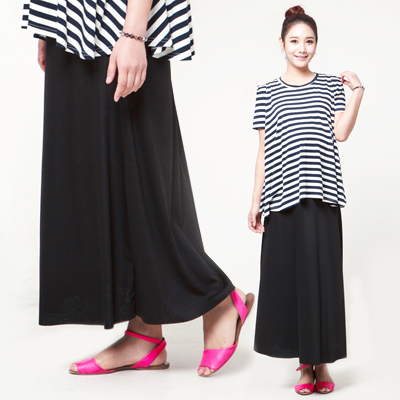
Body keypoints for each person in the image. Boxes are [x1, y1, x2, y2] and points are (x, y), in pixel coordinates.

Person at [22, 0, 254, 377]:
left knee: (143, 181)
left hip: (119, 23)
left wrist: (133, 32)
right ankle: (144, 335)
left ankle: (218, 301)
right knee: (98, 179)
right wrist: (54, 24)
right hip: (71, 22)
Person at [248, 5, 363, 395]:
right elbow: (264, 152)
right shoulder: (266, 92)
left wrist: (358, 92)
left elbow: (341, 133)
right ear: (281, 43)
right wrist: (255, 201)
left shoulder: (329, 85)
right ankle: (303, 364)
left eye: (309, 41)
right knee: (291, 283)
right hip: (281, 201)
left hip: (323, 197)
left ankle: (323, 363)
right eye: (294, 41)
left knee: (322, 281)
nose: (302, 48)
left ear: (316, 44)